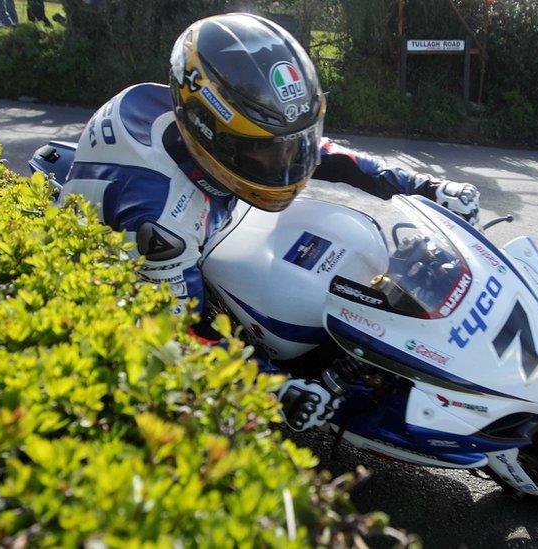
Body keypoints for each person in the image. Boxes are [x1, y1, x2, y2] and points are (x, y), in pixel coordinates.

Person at [58, 13, 481, 432]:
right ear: (207, 131)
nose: (288, 165)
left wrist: (423, 186)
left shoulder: (217, 125)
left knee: (347, 241)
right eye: (266, 155)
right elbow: (180, 331)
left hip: (210, 204)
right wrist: (273, 389)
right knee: (185, 411)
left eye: (292, 146)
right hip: (145, 259)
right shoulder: (162, 220)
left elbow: (322, 152)